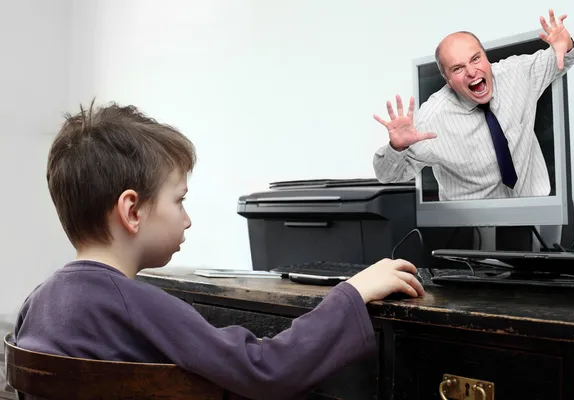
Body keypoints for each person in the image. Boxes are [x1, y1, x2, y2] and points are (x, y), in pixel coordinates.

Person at [11, 101, 424, 400]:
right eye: (180, 200)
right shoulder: (138, 304)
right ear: (132, 210)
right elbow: (266, 370)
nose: (187, 219)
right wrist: (352, 291)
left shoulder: (38, 302)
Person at [372, 9, 574, 201]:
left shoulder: (517, 74)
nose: (472, 72)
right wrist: (396, 147)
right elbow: (388, 176)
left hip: (537, 208)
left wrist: (567, 42)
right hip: (471, 225)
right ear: (448, 82)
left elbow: (564, 57)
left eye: (475, 59)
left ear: (486, 57)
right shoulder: (432, 119)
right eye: (458, 68)